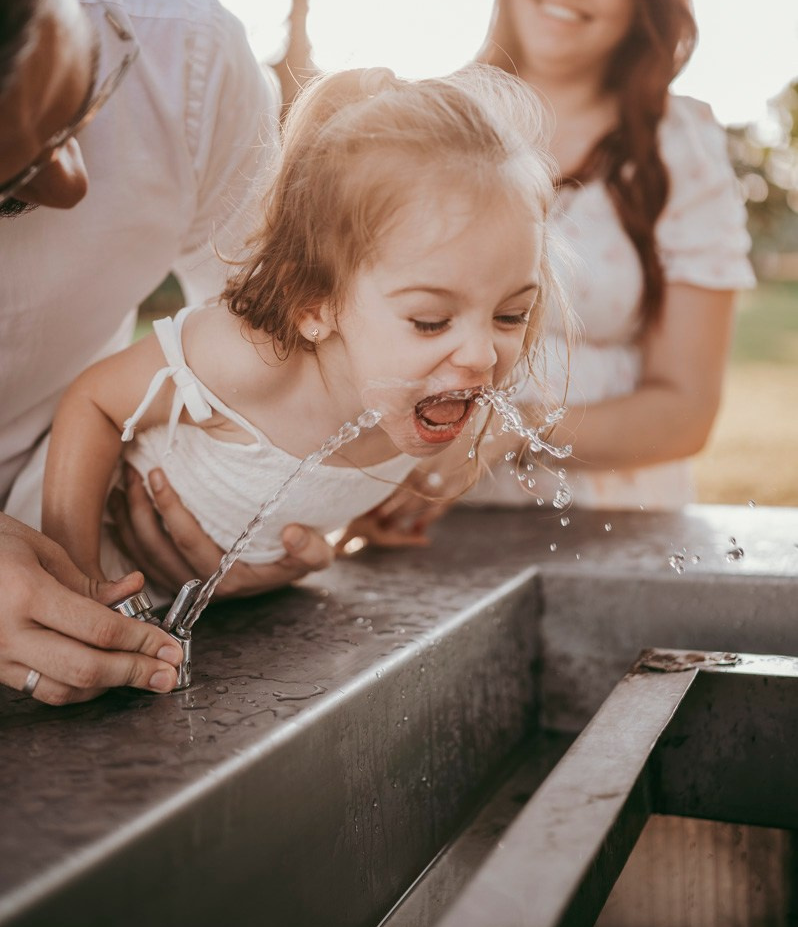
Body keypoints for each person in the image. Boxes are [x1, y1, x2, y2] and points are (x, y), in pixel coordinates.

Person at [0, 0, 333, 705]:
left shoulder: (183, 52)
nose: (71, 185)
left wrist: (255, 511)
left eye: (79, 99)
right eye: (9, 191)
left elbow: (282, 348)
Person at [40, 65, 557, 607]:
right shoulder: (251, 360)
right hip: (103, 565)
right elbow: (93, 403)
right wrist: (74, 584)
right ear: (314, 303)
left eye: (511, 315)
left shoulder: (439, 403)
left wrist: (370, 518)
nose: (480, 355)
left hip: (224, 615)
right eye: (431, 320)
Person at [358, 0, 755, 542]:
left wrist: (508, 434)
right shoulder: (431, 121)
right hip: (424, 526)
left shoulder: (679, 150)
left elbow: (687, 412)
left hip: (615, 530)